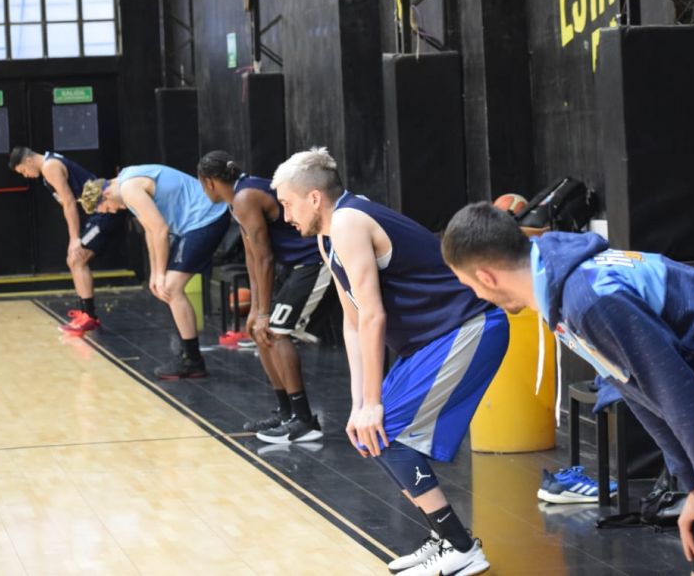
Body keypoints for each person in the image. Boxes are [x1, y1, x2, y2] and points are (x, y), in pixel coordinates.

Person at [441, 202, 694, 576]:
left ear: (485, 276)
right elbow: (641, 396)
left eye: (467, 284)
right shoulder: (561, 290)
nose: (476, 295)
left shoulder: (590, 299)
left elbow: (678, 397)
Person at [271, 148, 509, 576]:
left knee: (389, 433)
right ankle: (444, 537)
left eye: (288, 204)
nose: (285, 216)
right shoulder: (328, 235)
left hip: (468, 326)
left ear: (314, 198)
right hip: (432, 339)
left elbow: (374, 316)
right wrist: (359, 403)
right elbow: (352, 322)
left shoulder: (348, 222)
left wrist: (374, 402)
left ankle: (461, 547)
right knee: (371, 435)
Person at [198, 150, 330, 443]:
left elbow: (266, 258)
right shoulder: (237, 198)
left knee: (277, 331)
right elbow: (251, 257)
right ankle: (286, 413)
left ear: (208, 182)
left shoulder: (246, 197)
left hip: (314, 261)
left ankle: (304, 420)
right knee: (262, 333)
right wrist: (257, 309)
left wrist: (265, 313)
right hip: (295, 267)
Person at [80, 164, 230, 380]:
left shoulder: (129, 189)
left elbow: (160, 230)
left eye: (108, 208)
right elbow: (150, 232)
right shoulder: (125, 182)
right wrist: (154, 273)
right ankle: (187, 352)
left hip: (207, 217)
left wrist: (160, 274)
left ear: (106, 195)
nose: (113, 211)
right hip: (196, 221)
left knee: (170, 287)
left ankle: (192, 360)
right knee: (166, 287)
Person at [9, 147, 125, 334]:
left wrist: (74, 239)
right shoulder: (49, 165)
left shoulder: (50, 167)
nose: (26, 175)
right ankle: (86, 314)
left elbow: (69, 203)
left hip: (105, 209)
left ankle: (89, 317)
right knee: (73, 260)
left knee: (77, 258)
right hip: (96, 211)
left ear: (29, 160)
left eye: (23, 171)